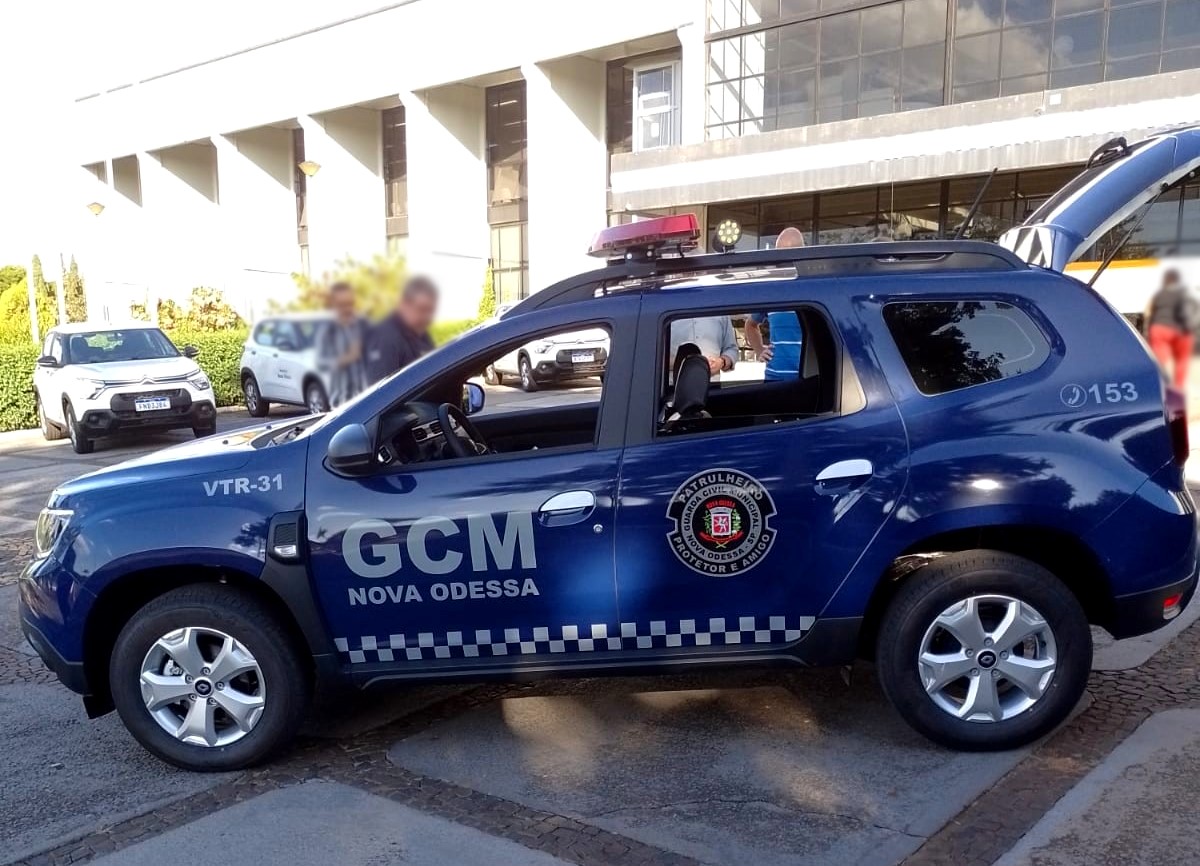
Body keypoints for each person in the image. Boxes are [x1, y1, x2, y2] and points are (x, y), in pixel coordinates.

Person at [744, 227, 806, 381]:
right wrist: (759, 350)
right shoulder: (771, 291)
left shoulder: (812, 289)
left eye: (789, 253)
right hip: (774, 378)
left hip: (808, 380)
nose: (783, 261)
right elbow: (750, 325)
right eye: (780, 253)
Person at [365, 275, 439, 382]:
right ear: (404, 304)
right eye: (422, 309)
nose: (427, 317)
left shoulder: (422, 335)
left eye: (430, 310)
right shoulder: (386, 338)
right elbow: (384, 392)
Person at [316, 282, 369, 406]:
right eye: (342, 305)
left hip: (367, 401)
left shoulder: (362, 325)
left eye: (350, 303)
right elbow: (320, 363)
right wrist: (345, 359)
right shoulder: (328, 331)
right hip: (341, 404)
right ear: (333, 304)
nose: (347, 308)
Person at [1147, 268, 1199, 388]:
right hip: (1180, 329)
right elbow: (1193, 311)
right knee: (1182, 359)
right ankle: (1178, 388)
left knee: (1160, 358)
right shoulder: (1184, 294)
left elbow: (1150, 312)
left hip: (1159, 328)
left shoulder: (1159, 295)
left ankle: (1160, 384)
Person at [669, 316, 738, 378]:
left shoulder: (719, 310)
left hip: (711, 385)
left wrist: (721, 362)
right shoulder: (667, 306)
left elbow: (731, 349)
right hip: (672, 385)